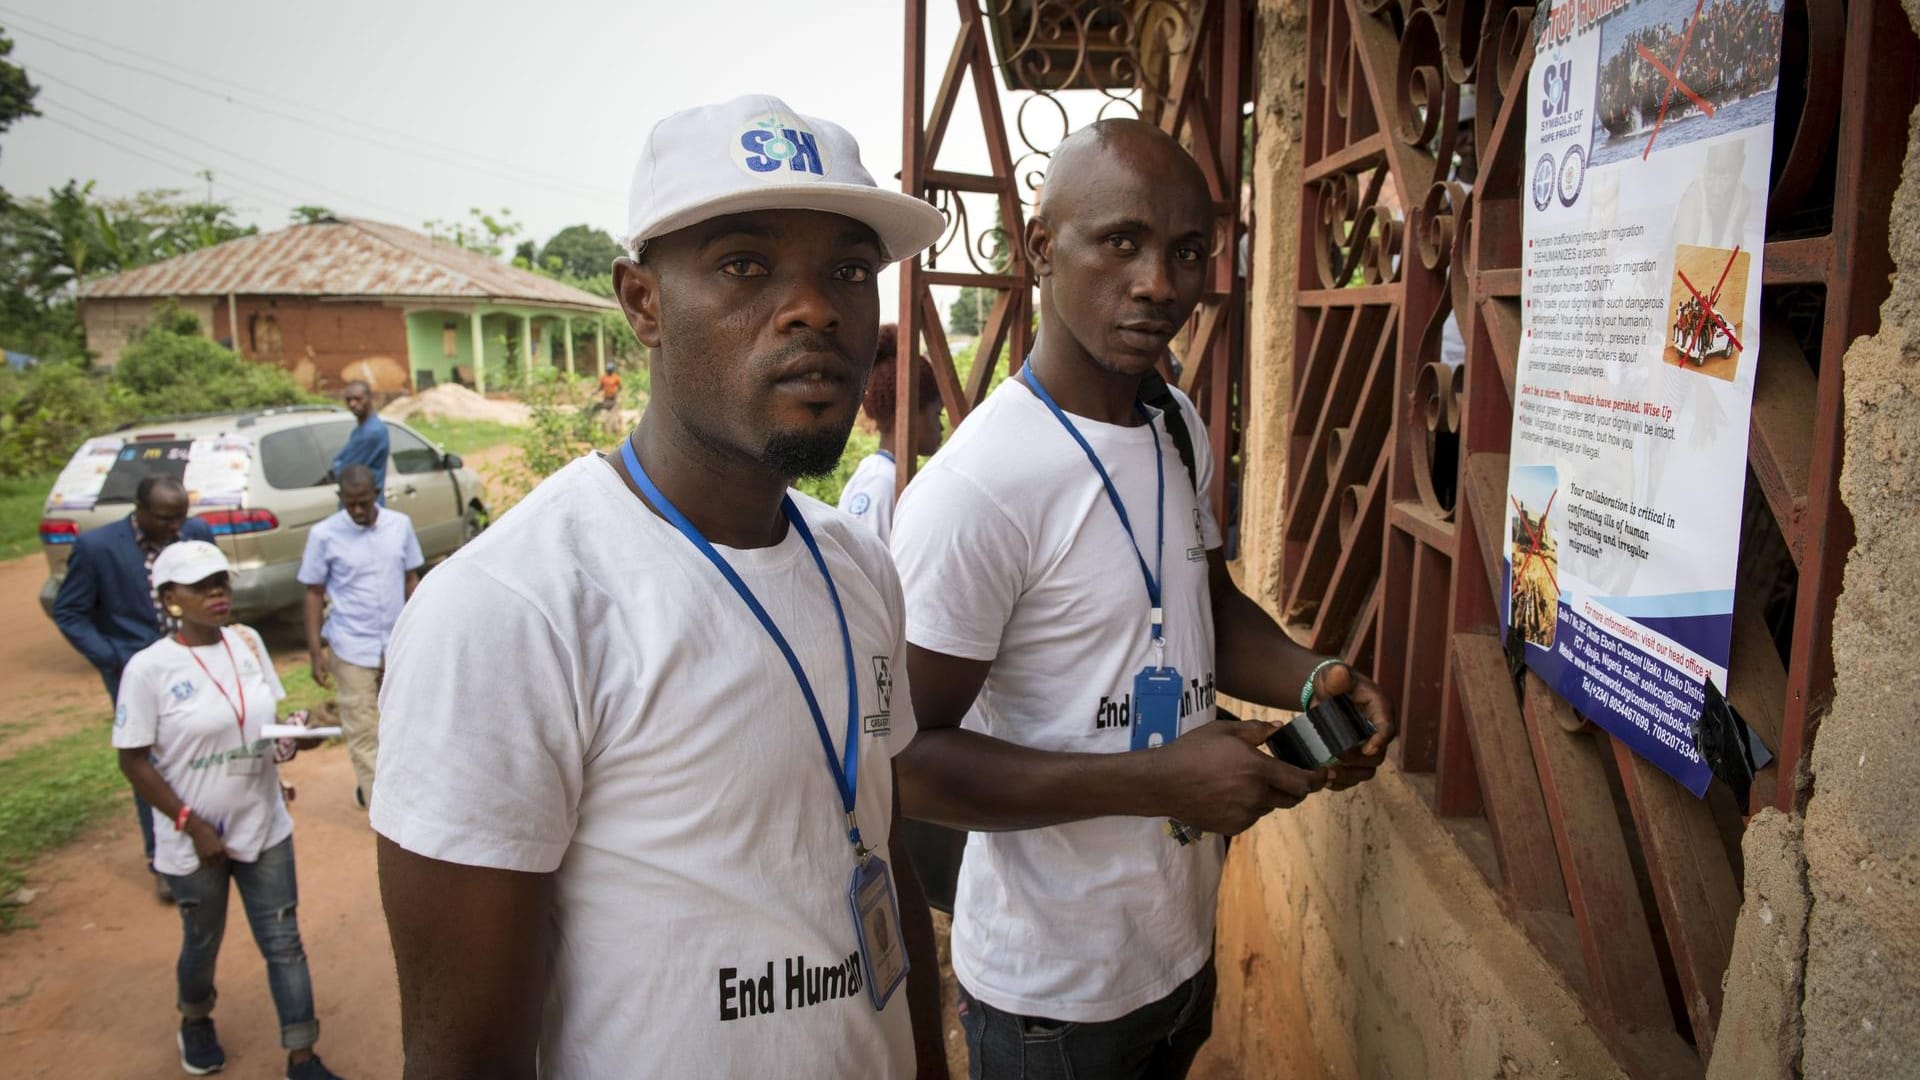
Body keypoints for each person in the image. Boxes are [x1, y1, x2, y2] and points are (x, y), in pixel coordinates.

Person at [371, 94, 950, 1078]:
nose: (816, 308)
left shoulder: (858, 565)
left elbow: (883, 852)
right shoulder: (511, 613)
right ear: (642, 302)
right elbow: (464, 1056)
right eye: (745, 265)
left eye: (850, 272)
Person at [889, 119, 1399, 1079]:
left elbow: (1210, 605)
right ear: (1043, 247)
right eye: (1121, 241)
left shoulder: (1173, 421)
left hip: (1176, 951)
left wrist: (1313, 678)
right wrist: (1162, 781)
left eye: (1188, 251)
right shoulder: (976, 493)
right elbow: (908, 765)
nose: (1161, 283)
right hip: (1055, 1003)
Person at [112, 540, 344, 1080]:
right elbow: (134, 761)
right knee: (202, 941)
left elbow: (260, 728)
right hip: (196, 838)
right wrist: (191, 824)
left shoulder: (247, 641)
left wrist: (296, 737)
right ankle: (195, 1018)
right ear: (171, 598)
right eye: (201, 586)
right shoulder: (150, 669)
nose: (217, 593)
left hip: (263, 823)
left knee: (284, 941)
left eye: (222, 582)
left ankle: (302, 1056)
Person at [53, 473, 215, 901]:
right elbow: (70, 612)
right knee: (147, 764)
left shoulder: (193, 534)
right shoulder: (97, 548)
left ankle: (215, 837)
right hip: (137, 675)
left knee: (201, 751)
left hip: (195, 666)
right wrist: (113, 659)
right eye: (165, 519)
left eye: (181, 517)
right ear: (139, 511)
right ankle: (162, 861)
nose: (175, 529)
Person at [298, 464, 422, 809]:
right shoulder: (324, 535)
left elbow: (411, 578)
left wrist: (419, 628)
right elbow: (312, 593)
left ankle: (402, 795)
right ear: (340, 499)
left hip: (397, 644)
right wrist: (315, 651)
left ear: (377, 494)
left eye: (363, 503)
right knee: (363, 730)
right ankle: (379, 808)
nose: (356, 510)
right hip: (351, 644)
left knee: (403, 724)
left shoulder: (400, 526)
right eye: (349, 503)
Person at [837, 324, 944, 544]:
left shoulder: (890, 476)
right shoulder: (880, 485)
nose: (941, 426)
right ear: (909, 413)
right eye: (937, 414)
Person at [330, 380, 388, 500]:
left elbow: (345, 473)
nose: (352, 404)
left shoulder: (371, 432)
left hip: (364, 505)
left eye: (357, 399)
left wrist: (338, 463)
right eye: (348, 400)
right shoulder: (361, 429)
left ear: (369, 398)